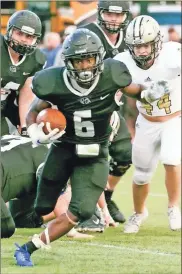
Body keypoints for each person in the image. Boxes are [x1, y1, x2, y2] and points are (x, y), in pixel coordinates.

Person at [14, 28, 169, 267]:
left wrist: (149, 93)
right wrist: (35, 132)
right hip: (63, 148)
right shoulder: (53, 81)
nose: (85, 66)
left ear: (99, 59)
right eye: (78, 61)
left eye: (89, 59)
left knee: (81, 211)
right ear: (68, 62)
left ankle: (28, 248)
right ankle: (29, 200)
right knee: (42, 206)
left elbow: (136, 91)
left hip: (95, 152)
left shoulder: (112, 74)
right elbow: (34, 111)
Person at [114, 15, 181, 233]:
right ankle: (139, 212)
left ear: (157, 42)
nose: (142, 51)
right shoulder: (123, 62)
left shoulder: (173, 54)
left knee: (171, 158)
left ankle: (173, 207)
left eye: (146, 45)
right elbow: (113, 87)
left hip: (174, 118)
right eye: (137, 46)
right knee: (141, 174)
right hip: (147, 121)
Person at [79, 0, 133, 224]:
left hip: (112, 107)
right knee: (88, 157)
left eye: (119, 15)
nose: (114, 19)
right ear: (100, 13)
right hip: (84, 105)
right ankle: (85, 205)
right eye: (110, 14)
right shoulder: (86, 34)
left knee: (124, 155)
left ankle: (107, 195)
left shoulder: (131, 38)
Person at [1, 135, 93, 239]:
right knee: (6, 227)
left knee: (22, 220)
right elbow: (52, 185)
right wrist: (70, 229)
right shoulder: (52, 155)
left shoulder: (25, 141)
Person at [1, 10, 46, 136]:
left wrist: (26, 127)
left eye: (29, 36)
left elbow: (26, 99)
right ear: (10, 31)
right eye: (19, 33)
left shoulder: (36, 60)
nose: (23, 40)